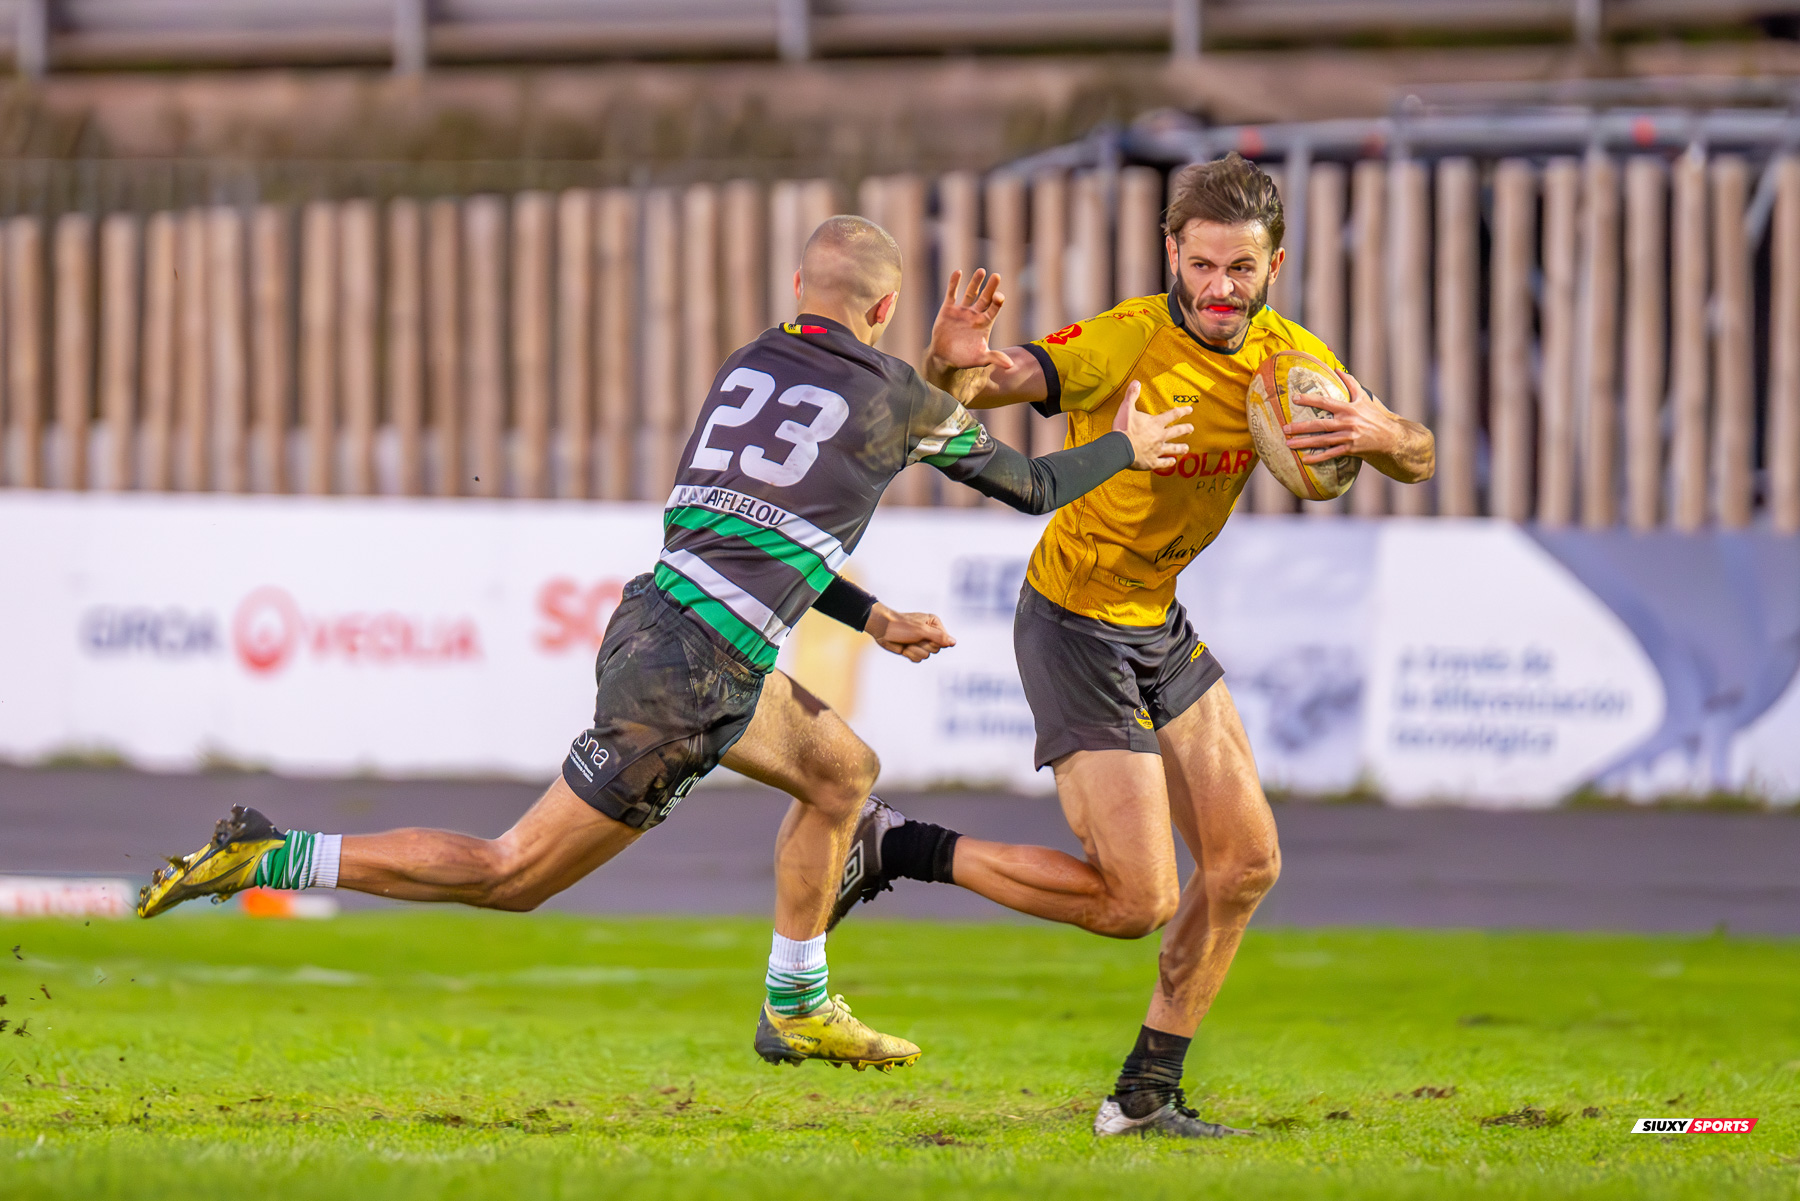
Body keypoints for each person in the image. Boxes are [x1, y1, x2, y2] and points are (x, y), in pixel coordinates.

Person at [135, 214, 1194, 1075]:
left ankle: (798, 1004)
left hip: (664, 618)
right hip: (694, 674)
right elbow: (1036, 488)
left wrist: (871, 617)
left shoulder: (750, 363)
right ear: (883, 308)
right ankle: (270, 852)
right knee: (513, 873)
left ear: (798, 288)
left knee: (841, 772)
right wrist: (1128, 444)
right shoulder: (893, 395)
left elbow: (775, 523)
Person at [828, 153, 1436, 1133]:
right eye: (1201, 265)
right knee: (1136, 898)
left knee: (1244, 864)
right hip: (1073, 622)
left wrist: (1379, 428)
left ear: (1275, 263)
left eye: (1240, 268)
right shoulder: (1125, 339)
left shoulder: (1293, 364)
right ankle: (897, 843)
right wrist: (954, 358)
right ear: (1172, 254)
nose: (1219, 288)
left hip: (1157, 618)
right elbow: (987, 385)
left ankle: (1145, 1095)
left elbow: (1420, 457)